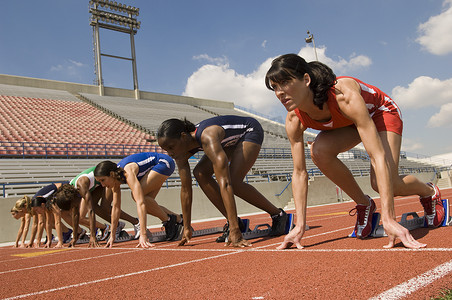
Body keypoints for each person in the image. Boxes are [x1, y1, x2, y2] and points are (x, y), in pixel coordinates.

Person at [265, 53, 444, 249]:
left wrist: (389, 218)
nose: (279, 92)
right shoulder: (294, 118)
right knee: (319, 150)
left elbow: (377, 155)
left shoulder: (343, 94)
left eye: (285, 83)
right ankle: (364, 204)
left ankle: (429, 191)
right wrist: (299, 225)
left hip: (379, 112)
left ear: (306, 79)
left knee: (386, 183)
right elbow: (299, 172)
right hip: (348, 122)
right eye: (274, 87)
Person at [157, 115, 289, 248]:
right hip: (227, 141)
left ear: (183, 136)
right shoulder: (180, 154)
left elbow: (225, 184)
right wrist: (186, 227)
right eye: (166, 150)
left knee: (235, 182)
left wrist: (235, 231)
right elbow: (185, 190)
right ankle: (236, 221)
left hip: (248, 131)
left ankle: (278, 215)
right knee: (200, 173)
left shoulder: (207, 137)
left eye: (171, 147)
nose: (170, 154)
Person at [94, 153, 182, 248]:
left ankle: (168, 220)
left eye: (103, 180)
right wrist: (112, 235)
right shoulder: (115, 181)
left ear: (111, 174)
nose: (102, 185)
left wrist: (143, 235)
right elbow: (116, 208)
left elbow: (140, 203)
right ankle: (179, 219)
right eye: (99, 182)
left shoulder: (127, 171)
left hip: (163, 163)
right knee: (149, 206)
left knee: (137, 197)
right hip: (152, 168)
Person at [56, 166, 140, 247]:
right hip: (97, 185)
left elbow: (90, 211)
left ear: (72, 199)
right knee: (94, 206)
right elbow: (75, 215)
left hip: (104, 179)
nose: (73, 208)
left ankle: (136, 222)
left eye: (72, 206)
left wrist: (93, 236)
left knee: (105, 206)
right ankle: (117, 225)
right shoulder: (72, 192)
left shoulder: (81, 185)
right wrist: (74, 238)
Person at [31, 183, 84, 248]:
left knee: (80, 216)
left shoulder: (52, 204)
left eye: (36, 210)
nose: (37, 212)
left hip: (70, 189)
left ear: (42, 205)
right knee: (57, 217)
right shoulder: (46, 206)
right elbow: (48, 223)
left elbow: (57, 222)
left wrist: (60, 242)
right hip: (57, 192)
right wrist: (49, 241)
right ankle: (79, 231)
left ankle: (88, 230)